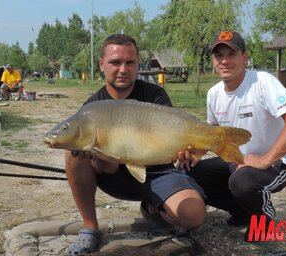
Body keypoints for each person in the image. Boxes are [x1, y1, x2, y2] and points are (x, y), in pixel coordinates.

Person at [65, 34, 207, 255]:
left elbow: (171, 143)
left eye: (130, 62)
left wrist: (183, 151)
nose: (123, 69)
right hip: (116, 177)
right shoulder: (92, 108)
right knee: (73, 153)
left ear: (137, 65)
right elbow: (107, 168)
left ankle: (153, 207)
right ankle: (90, 228)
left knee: (194, 215)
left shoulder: (154, 94)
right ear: (101, 64)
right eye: (115, 62)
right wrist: (100, 154)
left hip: (159, 172)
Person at [184, 31, 286, 241]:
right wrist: (195, 155)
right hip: (237, 162)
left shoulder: (262, 82)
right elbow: (213, 132)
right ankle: (243, 211)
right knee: (188, 174)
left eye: (231, 54)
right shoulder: (213, 94)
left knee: (242, 181)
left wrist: (266, 159)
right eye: (218, 55)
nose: (224, 61)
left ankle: (263, 222)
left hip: (274, 165)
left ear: (244, 57)